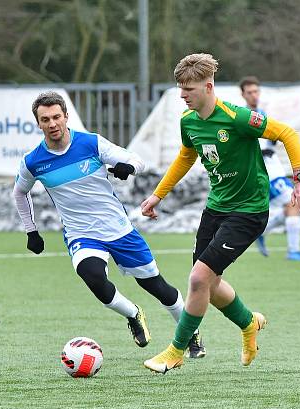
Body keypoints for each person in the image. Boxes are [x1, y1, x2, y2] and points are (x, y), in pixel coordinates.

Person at [141, 54, 300, 373]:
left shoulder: (237, 118)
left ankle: (176, 351)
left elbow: (287, 134)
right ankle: (249, 323)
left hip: (248, 211)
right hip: (216, 208)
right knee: (209, 283)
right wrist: (157, 195)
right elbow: (185, 157)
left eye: (189, 89)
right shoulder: (188, 121)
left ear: (208, 87)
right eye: (180, 88)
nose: (183, 95)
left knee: (198, 279)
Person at [13, 91, 206, 358]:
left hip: (119, 229)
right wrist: (31, 230)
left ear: (66, 117)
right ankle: (133, 313)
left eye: (57, 116)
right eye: (45, 119)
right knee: (91, 275)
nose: (52, 123)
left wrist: (129, 168)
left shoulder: (90, 143)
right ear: (39, 123)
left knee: (156, 286)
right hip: (81, 234)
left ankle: (191, 334)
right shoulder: (33, 161)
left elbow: (136, 159)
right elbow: (19, 193)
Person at [239, 76, 300, 261]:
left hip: (275, 166)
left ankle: (262, 232)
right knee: (295, 202)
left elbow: (274, 138)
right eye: (249, 92)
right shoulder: (240, 116)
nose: (254, 95)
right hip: (264, 168)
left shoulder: (263, 114)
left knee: (290, 206)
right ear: (242, 94)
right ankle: (293, 251)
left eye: (256, 91)